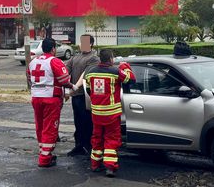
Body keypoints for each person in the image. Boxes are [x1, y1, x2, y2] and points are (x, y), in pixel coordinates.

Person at [84, 49, 135, 177]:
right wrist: (125, 66)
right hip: (111, 113)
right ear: (111, 59)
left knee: (97, 138)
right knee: (111, 139)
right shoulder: (116, 71)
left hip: (96, 113)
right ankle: (110, 167)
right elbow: (131, 79)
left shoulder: (90, 72)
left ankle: (95, 165)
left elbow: (89, 90)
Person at [27, 38, 76, 168]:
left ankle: (43, 150)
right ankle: (45, 158)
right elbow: (64, 79)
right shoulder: (55, 61)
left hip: (36, 97)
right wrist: (72, 86)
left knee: (40, 125)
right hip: (51, 98)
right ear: (53, 48)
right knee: (50, 127)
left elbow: (29, 78)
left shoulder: (33, 62)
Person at [64, 34, 100, 156]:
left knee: (87, 122)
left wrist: (73, 89)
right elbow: (65, 71)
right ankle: (79, 145)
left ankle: (88, 146)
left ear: (90, 44)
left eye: (84, 42)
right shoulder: (75, 57)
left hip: (86, 96)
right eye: (81, 42)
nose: (81, 44)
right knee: (78, 122)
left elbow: (86, 74)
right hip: (76, 95)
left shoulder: (94, 58)